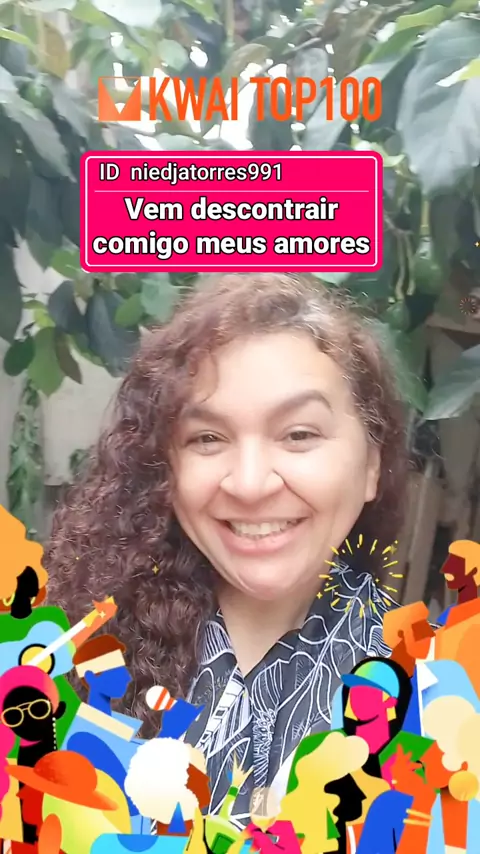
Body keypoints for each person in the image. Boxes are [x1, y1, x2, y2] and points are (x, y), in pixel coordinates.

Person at [44, 273, 408, 826]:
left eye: (299, 434)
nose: (250, 484)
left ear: (372, 466)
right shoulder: (67, 655)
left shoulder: (430, 698)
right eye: (207, 438)